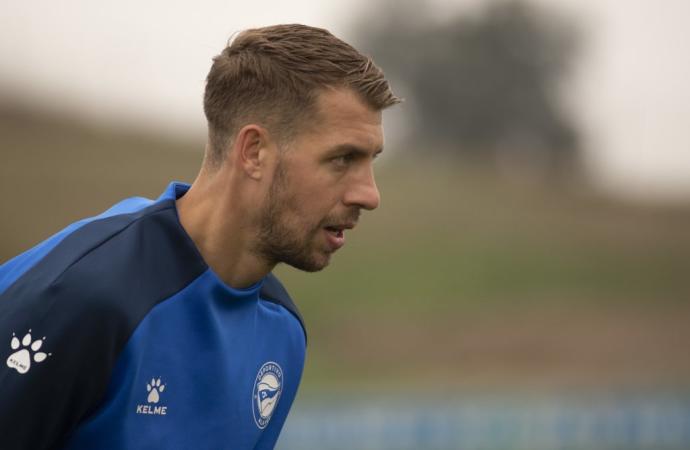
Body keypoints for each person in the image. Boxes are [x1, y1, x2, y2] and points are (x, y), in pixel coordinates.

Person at [0, 24, 400, 449]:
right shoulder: (83, 296)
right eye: (342, 158)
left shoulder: (282, 331)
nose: (370, 195)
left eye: (370, 160)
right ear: (254, 152)